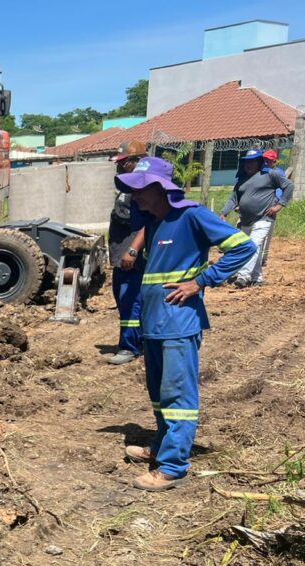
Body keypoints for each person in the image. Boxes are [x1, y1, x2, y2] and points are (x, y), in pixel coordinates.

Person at [116, 157, 256, 491]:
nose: (135, 197)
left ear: (160, 188)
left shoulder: (192, 215)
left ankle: (173, 466)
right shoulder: (155, 223)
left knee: (178, 395)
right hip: (155, 324)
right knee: (159, 395)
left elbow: (243, 247)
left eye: (141, 190)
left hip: (179, 323)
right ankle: (162, 447)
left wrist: (202, 281)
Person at [220, 148, 293, 287]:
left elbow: (289, 186)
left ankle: (243, 276)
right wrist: (224, 213)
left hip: (264, 218)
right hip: (246, 220)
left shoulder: (270, 174)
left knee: (253, 245)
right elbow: (233, 199)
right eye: (247, 162)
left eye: (253, 162)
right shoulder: (241, 179)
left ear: (260, 162)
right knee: (252, 247)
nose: (249, 165)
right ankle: (257, 278)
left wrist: (279, 205)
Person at [106, 140, 149, 365]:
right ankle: (138, 341)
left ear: (137, 162)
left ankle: (130, 346)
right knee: (123, 300)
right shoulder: (127, 188)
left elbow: (146, 225)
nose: (119, 167)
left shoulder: (142, 190)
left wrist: (132, 251)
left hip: (130, 257)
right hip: (121, 255)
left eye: (124, 163)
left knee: (130, 299)